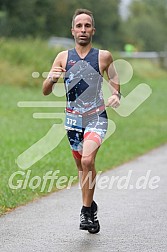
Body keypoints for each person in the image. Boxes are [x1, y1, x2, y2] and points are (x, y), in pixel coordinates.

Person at [43, 8, 120, 233]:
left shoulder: (103, 56)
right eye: (79, 26)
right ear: (73, 31)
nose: (83, 30)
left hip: (96, 117)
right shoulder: (63, 57)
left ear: (93, 30)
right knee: (81, 166)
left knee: (87, 161)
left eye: (87, 26)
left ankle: (86, 211)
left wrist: (116, 94)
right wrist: (52, 79)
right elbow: (46, 90)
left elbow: (114, 77)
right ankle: (91, 207)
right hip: (73, 121)